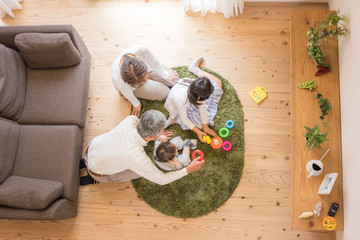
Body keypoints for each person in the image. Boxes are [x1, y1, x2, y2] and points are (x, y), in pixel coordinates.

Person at [80, 110, 205, 185]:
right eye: (161, 130)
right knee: (141, 173)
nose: (163, 131)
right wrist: (188, 169)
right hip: (97, 171)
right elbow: (161, 179)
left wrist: (158, 135)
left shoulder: (131, 120)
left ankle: (82, 163)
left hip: (93, 147)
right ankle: (94, 179)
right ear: (151, 137)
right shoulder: (137, 157)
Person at [164, 57, 223, 141]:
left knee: (218, 83)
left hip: (190, 100)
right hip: (178, 108)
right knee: (198, 125)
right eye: (203, 99)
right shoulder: (181, 100)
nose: (204, 101)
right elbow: (185, 119)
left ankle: (194, 69)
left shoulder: (195, 86)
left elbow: (202, 106)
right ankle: (173, 119)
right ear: (197, 98)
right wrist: (198, 131)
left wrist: (205, 126)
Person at [111, 46, 179, 116]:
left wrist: (165, 75)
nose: (145, 80)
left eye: (145, 78)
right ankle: (141, 83)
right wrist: (136, 103)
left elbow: (154, 62)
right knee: (166, 93)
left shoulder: (142, 51)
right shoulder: (117, 78)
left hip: (147, 69)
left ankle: (144, 77)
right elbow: (126, 91)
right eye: (142, 82)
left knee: (175, 81)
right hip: (133, 87)